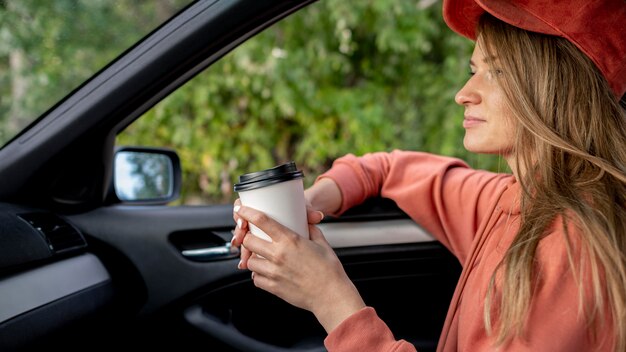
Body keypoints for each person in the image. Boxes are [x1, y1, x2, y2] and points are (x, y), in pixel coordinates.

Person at [231, 0, 626, 350]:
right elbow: (387, 168)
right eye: (474, 70)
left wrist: (331, 301)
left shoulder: (572, 249)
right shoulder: (508, 198)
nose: (464, 93)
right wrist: (313, 201)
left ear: (558, 86)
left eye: (498, 73)